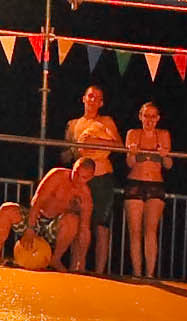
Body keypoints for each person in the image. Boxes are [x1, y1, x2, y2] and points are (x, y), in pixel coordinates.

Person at [0, 158, 95, 271]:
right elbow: (37, 200)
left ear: (90, 178)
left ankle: (55, 259)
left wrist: (81, 260)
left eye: (83, 177)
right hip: (35, 218)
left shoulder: (85, 196)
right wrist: (30, 227)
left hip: (53, 229)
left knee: (73, 220)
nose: (77, 179)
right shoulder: (57, 175)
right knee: (6, 209)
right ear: (73, 167)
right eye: (76, 173)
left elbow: (85, 230)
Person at [63, 84, 122, 274]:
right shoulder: (73, 124)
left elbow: (119, 146)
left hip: (102, 178)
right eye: (90, 96)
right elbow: (66, 154)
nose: (93, 100)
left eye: (97, 98)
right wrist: (75, 149)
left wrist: (94, 142)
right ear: (84, 98)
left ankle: (99, 271)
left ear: (101, 103)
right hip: (80, 180)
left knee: (101, 226)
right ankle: (76, 267)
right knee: (78, 222)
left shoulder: (106, 121)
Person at [123, 101, 174, 279]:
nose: (149, 120)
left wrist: (165, 156)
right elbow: (130, 164)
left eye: (153, 116)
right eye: (146, 116)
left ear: (158, 118)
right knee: (134, 232)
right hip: (135, 182)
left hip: (155, 184)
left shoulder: (163, 135)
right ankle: (137, 273)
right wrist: (131, 153)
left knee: (151, 231)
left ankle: (150, 274)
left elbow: (168, 165)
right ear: (140, 117)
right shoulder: (133, 134)